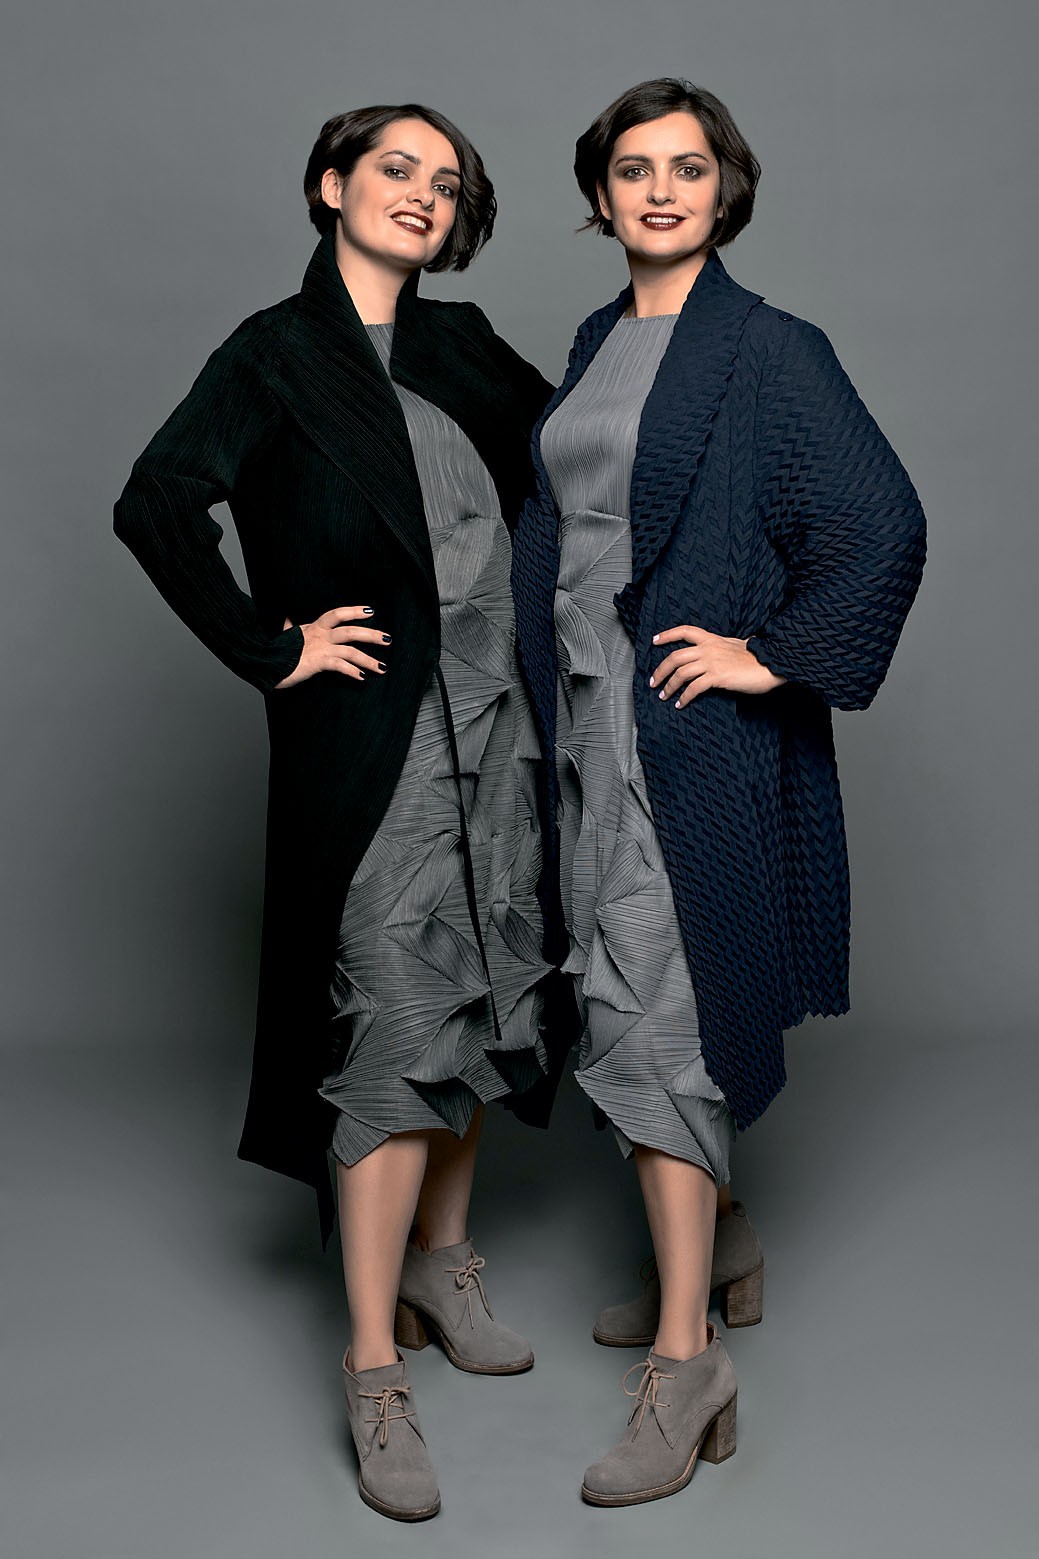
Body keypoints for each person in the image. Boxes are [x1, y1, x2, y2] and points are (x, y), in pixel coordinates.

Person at [114, 103, 557, 1522]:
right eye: (395, 170)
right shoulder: (275, 352)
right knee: (392, 1023)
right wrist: (274, 646)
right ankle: (374, 1366)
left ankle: (443, 1262)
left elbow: (578, 470)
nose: (422, 194)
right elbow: (157, 502)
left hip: (503, 730)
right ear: (331, 185)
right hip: (375, 742)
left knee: (485, 998)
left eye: (447, 182)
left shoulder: (465, 348)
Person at [511, 77, 926, 1507]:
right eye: (635, 169)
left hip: (678, 737)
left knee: (656, 1012)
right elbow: (565, 523)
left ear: (726, 189)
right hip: (583, 720)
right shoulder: (597, 340)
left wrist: (771, 655)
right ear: (602, 194)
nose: (662, 190)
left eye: (689, 168)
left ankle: (687, 1366)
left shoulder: (769, 349)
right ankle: (721, 1243)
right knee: (616, 985)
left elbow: (880, 523)